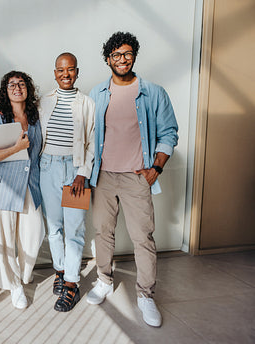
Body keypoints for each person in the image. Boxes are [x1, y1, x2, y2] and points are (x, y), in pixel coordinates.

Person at [86, 32, 179, 328]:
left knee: (143, 237)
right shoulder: (97, 93)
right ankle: (103, 280)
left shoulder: (153, 92)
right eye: (116, 55)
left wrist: (156, 168)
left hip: (137, 176)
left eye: (126, 54)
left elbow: (169, 133)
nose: (122, 59)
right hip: (102, 175)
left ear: (134, 56)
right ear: (108, 59)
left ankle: (145, 295)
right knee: (103, 232)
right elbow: (87, 135)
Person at [39, 53, 95, 312]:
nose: (65, 74)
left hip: (75, 172)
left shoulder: (87, 103)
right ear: (54, 72)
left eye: (70, 70)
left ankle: (72, 284)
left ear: (77, 72)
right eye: (61, 70)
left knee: (75, 230)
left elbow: (92, 142)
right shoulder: (43, 101)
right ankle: (61, 271)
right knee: (54, 227)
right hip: (48, 167)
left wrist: (83, 173)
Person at [0, 71, 44, 309]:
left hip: (30, 185)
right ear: (5, 92)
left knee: (34, 234)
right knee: (5, 239)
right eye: (11, 85)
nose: (17, 88)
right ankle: (15, 286)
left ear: (28, 88)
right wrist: (15, 148)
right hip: (3, 187)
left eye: (21, 84)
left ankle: (22, 275)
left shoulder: (36, 117)